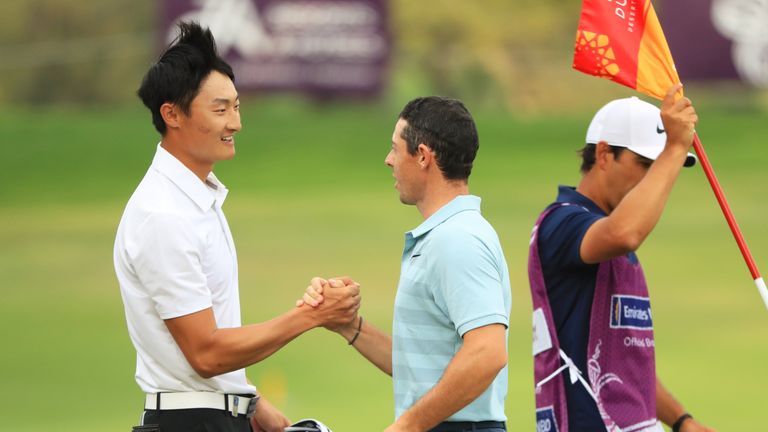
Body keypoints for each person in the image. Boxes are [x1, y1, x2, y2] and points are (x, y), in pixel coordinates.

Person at [113, 22, 360, 432]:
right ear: (171, 114)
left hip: (215, 416)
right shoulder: (163, 214)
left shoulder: (195, 199)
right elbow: (206, 352)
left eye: (237, 106)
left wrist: (251, 401)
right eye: (220, 109)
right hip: (189, 423)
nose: (236, 124)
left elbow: (211, 343)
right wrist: (312, 316)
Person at [301, 96, 512, 432]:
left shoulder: (457, 240)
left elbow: (487, 353)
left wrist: (409, 425)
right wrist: (348, 325)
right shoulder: (446, 236)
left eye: (395, 149)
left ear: (424, 156)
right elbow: (423, 368)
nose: (388, 160)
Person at [528, 85, 715, 432]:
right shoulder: (562, 222)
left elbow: (627, 366)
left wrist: (681, 420)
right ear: (602, 155)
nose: (653, 180)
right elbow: (625, 232)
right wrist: (675, 148)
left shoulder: (615, 239)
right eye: (645, 164)